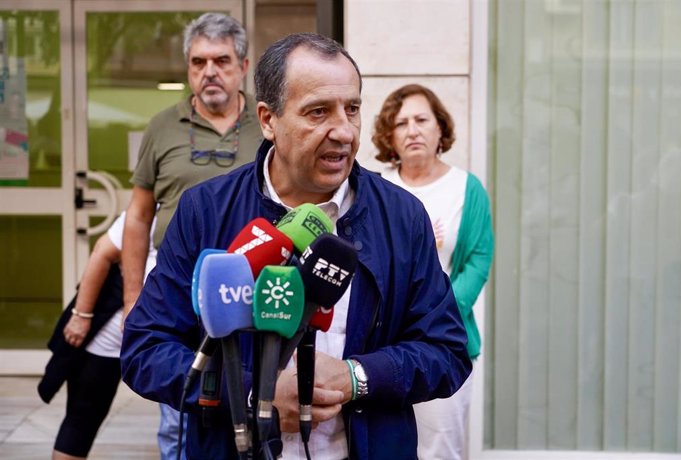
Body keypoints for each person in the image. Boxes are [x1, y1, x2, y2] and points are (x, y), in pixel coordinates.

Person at [120, 33, 472, 460]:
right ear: (269, 120)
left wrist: (357, 377)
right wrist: (254, 393)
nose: (343, 130)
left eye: (353, 109)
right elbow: (146, 349)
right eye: (318, 112)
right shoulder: (205, 211)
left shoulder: (401, 216)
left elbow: (447, 351)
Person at [120, 12, 263, 460]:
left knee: (254, 400)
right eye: (198, 62)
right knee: (180, 418)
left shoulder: (269, 123)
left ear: (243, 65)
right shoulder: (163, 127)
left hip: (254, 292)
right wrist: (132, 302)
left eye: (221, 60)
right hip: (182, 294)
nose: (209, 72)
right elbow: (138, 217)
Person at [373, 83, 494, 460]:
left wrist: (436, 317)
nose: (413, 130)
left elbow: (477, 261)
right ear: (389, 135)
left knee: (441, 449)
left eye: (422, 119)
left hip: (443, 344)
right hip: (385, 349)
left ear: (439, 128)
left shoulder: (466, 188)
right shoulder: (377, 189)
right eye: (402, 122)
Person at [38, 211, 156, 460]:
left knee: (181, 423)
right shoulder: (147, 211)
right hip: (109, 335)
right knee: (83, 415)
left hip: (170, 337)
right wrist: (81, 315)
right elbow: (101, 253)